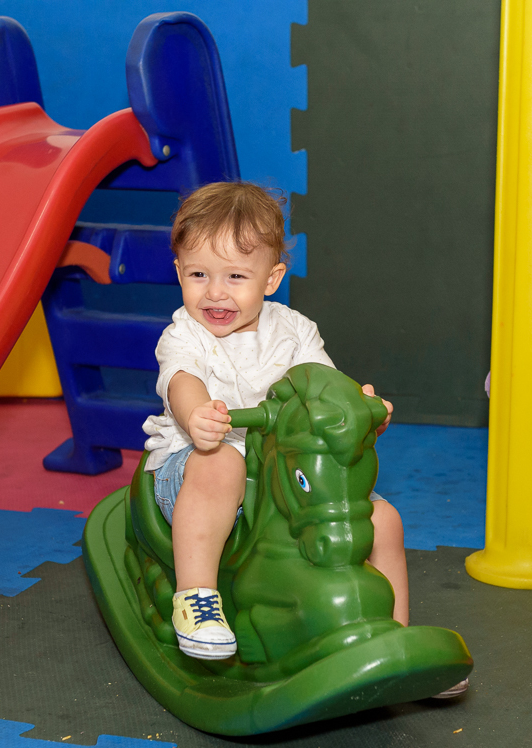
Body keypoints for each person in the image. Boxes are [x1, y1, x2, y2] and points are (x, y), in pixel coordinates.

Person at [141, 181, 410, 661]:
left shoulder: (295, 330)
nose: (215, 293)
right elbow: (181, 379)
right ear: (179, 271)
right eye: (199, 274)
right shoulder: (185, 334)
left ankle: (394, 635)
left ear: (271, 278)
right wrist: (197, 413)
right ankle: (196, 598)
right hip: (193, 465)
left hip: (285, 473)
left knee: (383, 520)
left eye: (236, 277)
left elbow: (324, 390)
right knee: (219, 461)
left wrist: (358, 409)